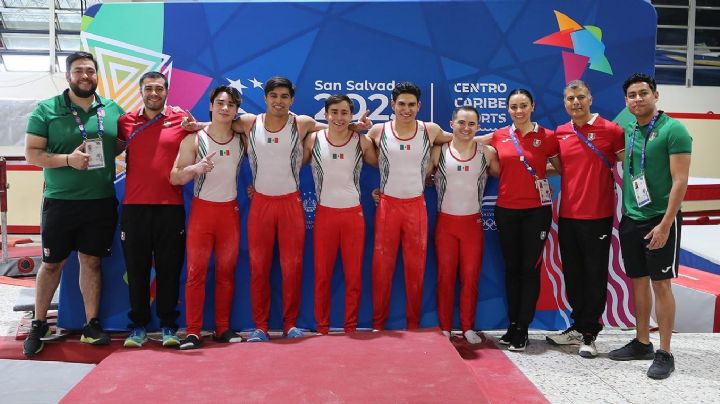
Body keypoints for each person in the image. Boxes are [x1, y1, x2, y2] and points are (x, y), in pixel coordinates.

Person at [186, 77, 370, 342]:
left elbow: (334, 125)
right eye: (274, 96)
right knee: (259, 267)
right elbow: (221, 122)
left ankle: (290, 324)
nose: (279, 101)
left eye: (284, 96)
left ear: (292, 100)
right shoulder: (250, 122)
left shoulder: (302, 123)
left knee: (291, 268)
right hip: (261, 203)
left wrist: (354, 125)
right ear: (265, 98)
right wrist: (197, 126)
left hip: (290, 205)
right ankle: (260, 325)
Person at [23, 51, 125, 356]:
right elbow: (31, 154)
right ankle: (40, 323)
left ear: (96, 75)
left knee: (92, 262)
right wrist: (68, 159)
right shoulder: (46, 109)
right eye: (78, 70)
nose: (85, 75)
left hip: (100, 201)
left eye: (90, 71)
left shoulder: (111, 108)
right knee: (52, 263)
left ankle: (91, 324)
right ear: (68, 75)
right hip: (60, 202)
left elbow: (120, 141)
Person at [608, 73, 691, 379]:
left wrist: (666, 224)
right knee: (638, 281)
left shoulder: (674, 130)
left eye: (644, 93)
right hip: (632, 218)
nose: (638, 99)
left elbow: (681, 182)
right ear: (626, 101)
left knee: (661, 284)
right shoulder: (629, 128)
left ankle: (665, 351)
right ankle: (642, 341)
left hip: (661, 219)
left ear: (656, 96)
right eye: (632, 95)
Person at [545, 80, 624, 358]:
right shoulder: (561, 132)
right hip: (567, 216)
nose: (575, 102)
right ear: (564, 102)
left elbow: (632, 162)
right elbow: (558, 168)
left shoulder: (611, 131)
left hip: (598, 217)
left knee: (594, 276)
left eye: (580, 97)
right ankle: (578, 326)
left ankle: (590, 332)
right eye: (569, 98)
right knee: (574, 274)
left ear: (590, 98)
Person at [366, 81, 452, 331]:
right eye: (401, 104)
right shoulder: (378, 131)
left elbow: (461, 138)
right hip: (387, 207)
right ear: (392, 105)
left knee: (415, 269)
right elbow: (355, 148)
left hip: (416, 206)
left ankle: (413, 325)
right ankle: (378, 325)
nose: (406, 109)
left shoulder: (430, 130)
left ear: (419, 106)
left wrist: (500, 138)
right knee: (382, 268)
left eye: (411, 105)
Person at [118, 71, 190, 348]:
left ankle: (169, 326)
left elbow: (208, 130)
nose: (154, 93)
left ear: (166, 91)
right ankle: (138, 326)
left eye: (159, 89)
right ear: (141, 91)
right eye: (149, 88)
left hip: (170, 208)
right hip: (134, 208)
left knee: (169, 270)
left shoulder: (182, 120)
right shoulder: (126, 122)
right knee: (136, 270)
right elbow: (108, 147)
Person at [170, 85, 245, 349]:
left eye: (231, 105)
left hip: (230, 213)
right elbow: (175, 177)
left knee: (226, 273)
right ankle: (193, 331)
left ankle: (222, 328)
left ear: (237, 111)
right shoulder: (194, 139)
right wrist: (196, 168)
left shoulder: (241, 139)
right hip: (203, 213)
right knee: (196, 273)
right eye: (221, 103)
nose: (225, 108)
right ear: (211, 106)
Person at [491, 89, 561, 351]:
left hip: (536, 212)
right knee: (511, 269)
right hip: (506, 210)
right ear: (507, 109)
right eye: (513, 106)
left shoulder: (547, 137)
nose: (518, 111)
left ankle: (523, 327)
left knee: (529, 270)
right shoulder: (499, 136)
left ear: (532, 106)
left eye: (523, 106)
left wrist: (541, 175)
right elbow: (469, 143)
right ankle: (512, 325)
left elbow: (562, 167)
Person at [305, 94, 378, 334]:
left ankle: (350, 327)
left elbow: (388, 167)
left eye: (344, 112)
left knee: (354, 275)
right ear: (325, 115)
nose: (339, 117)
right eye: (334, 112)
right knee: (322, 275)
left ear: (351, 115)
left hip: (353, 216)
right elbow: (286, 166)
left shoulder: (362, 142)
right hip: (325, 215)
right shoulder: (314, 139)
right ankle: (322, 327)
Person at [429, 106, 497, 344]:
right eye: (461, 123)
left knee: (470, 277)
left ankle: (468, 326)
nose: (466, 128)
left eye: (471, 124)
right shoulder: (439, 151)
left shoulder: (486, 153)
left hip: (472, 224)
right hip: (445, 223)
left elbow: (508, 176)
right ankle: (445, 327)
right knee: (446, 277)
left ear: (478, 127)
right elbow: (417, 178)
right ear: (451, 124)